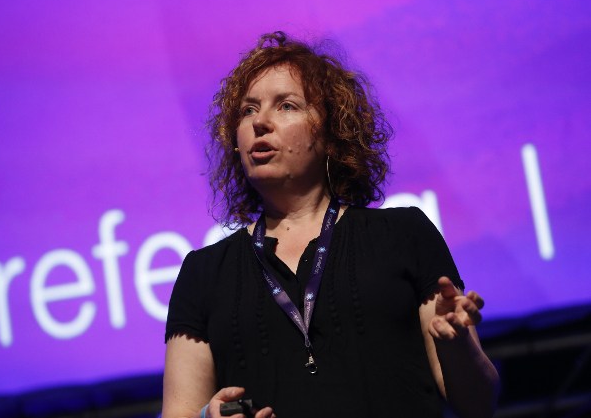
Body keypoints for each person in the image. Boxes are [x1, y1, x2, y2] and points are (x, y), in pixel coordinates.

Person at [162, 31, 499, 418]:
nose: (260, 123)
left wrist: (459, 348)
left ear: (331, 134)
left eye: (286, 106)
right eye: (248, 110)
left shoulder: (404, 233)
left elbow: (478, 405)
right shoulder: (204, 274)